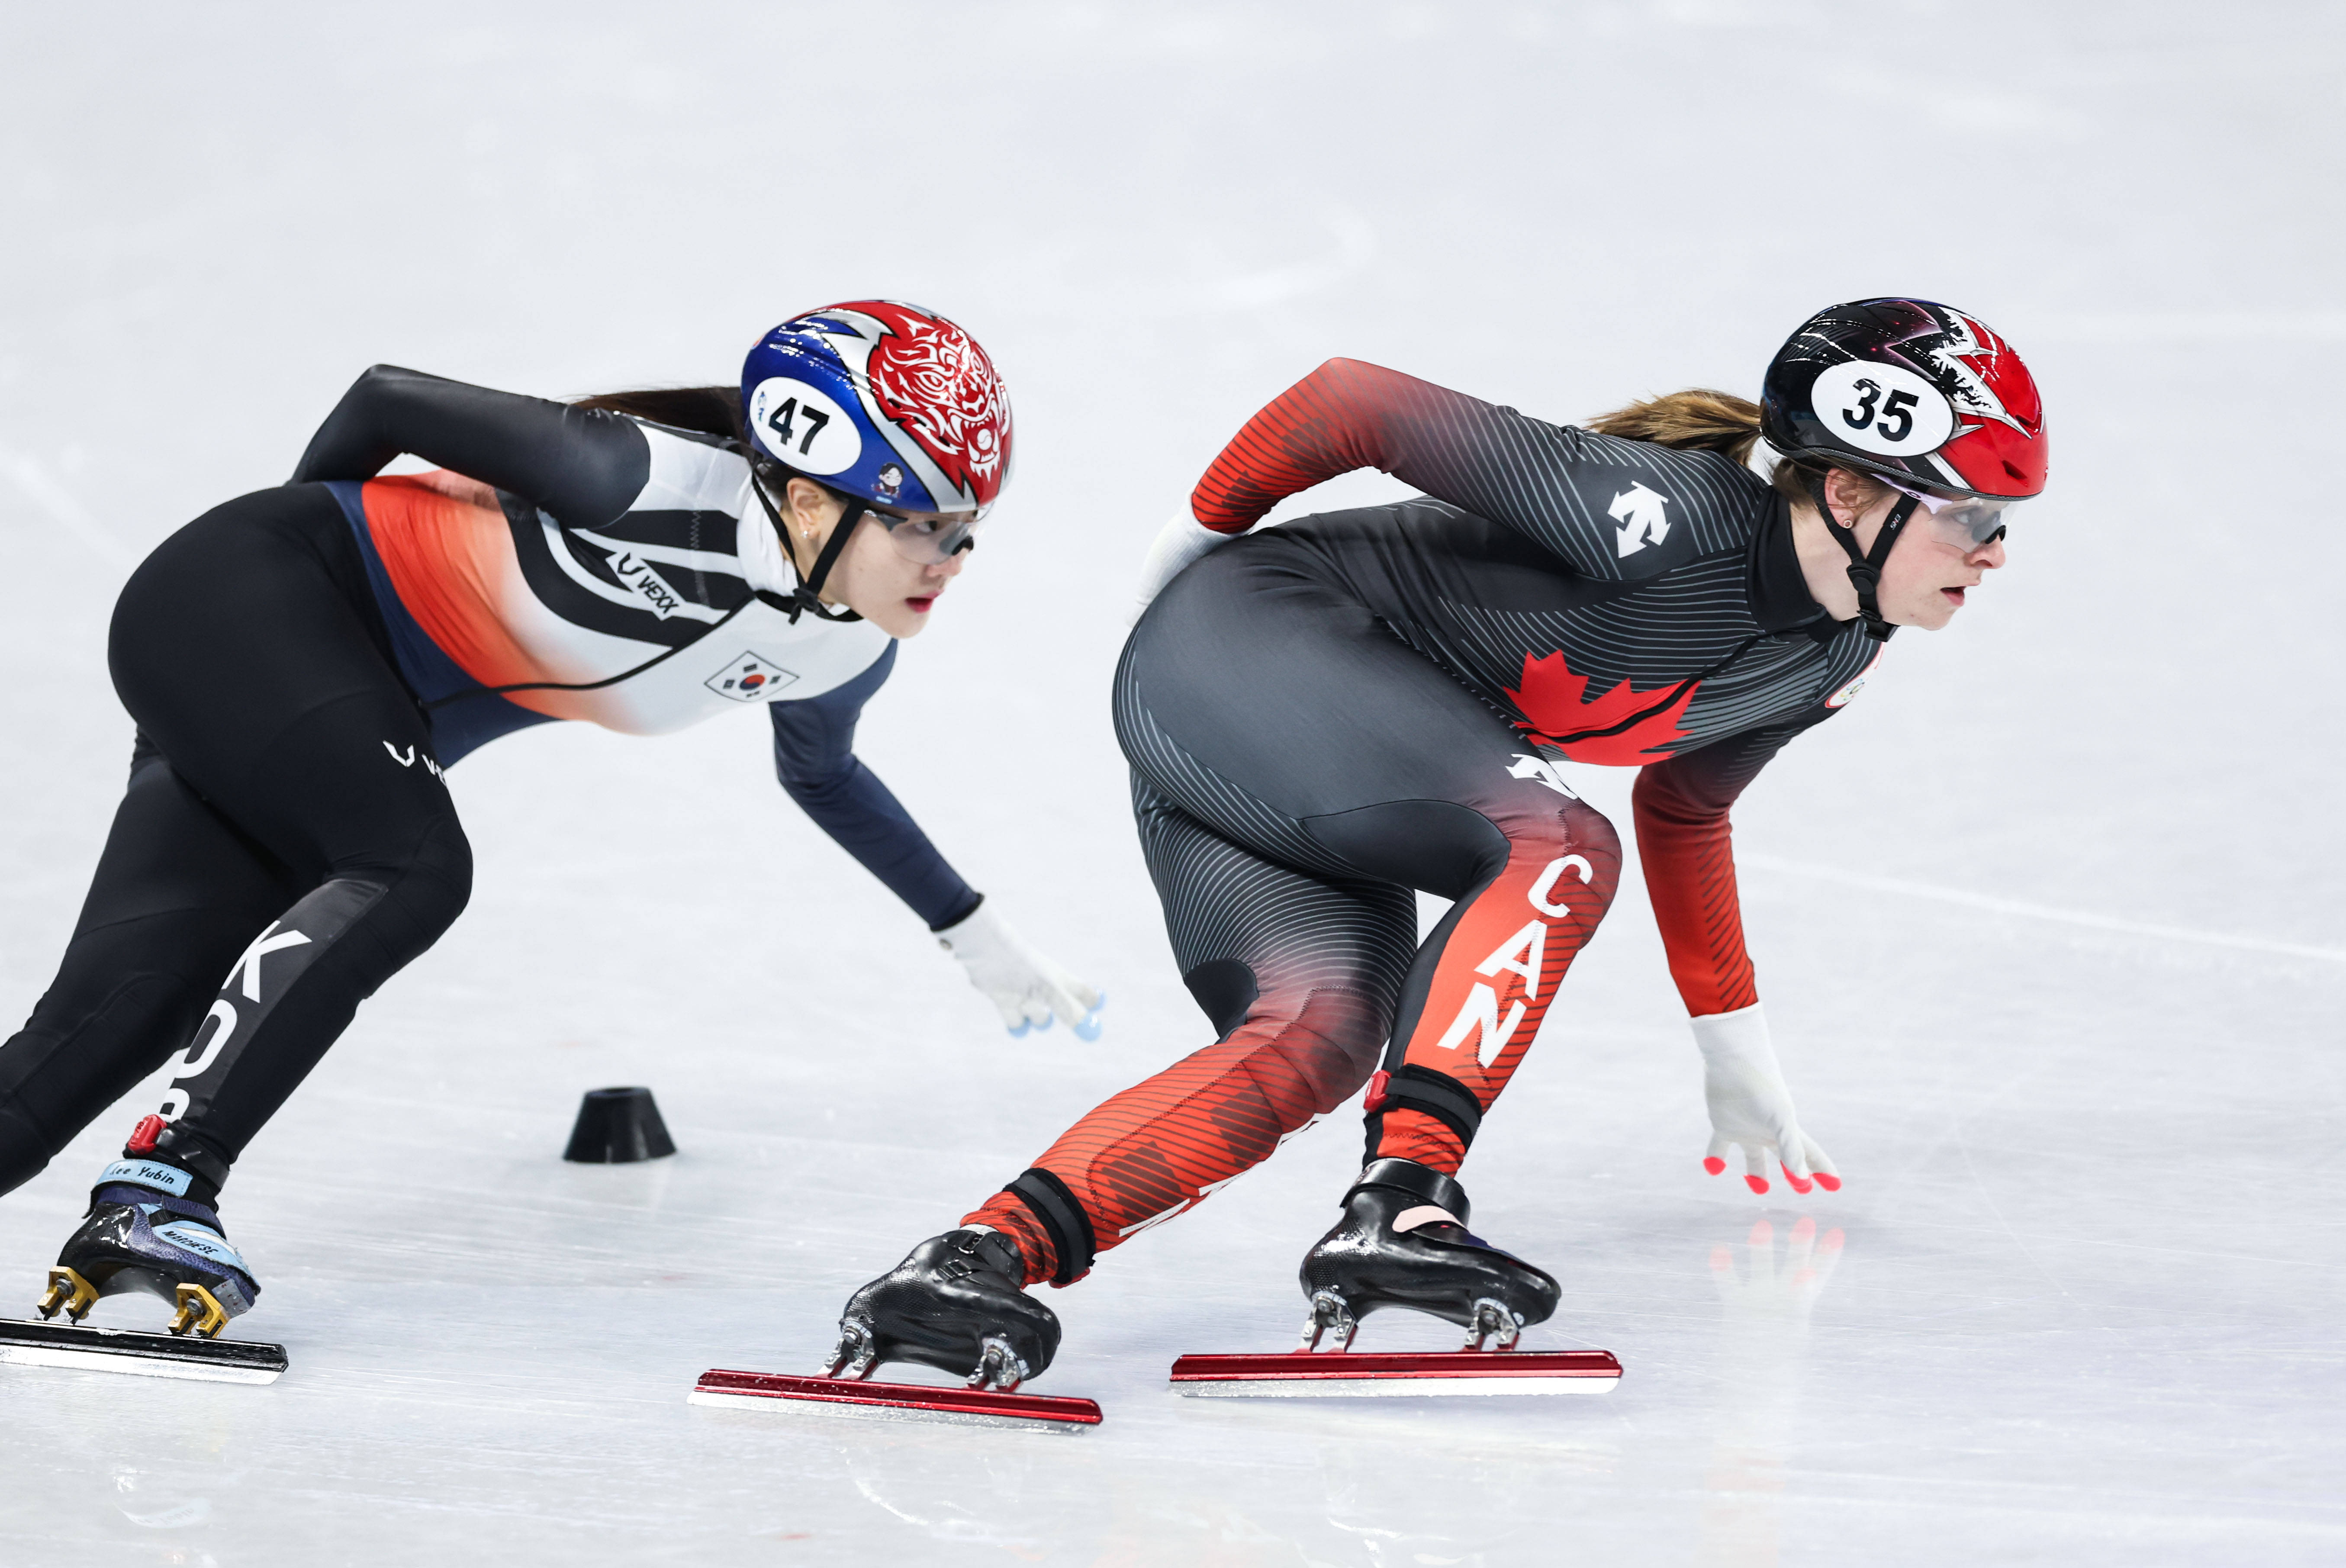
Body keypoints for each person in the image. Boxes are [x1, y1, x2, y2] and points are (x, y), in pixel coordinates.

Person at [826, 298, 2047, 1390]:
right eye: (1971, 514)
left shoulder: (1828, 660)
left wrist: (1732, 1048)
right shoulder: (1665, 517)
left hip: (1308, 758)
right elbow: (1350, 402)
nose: (1996, 554)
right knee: (1554, 842)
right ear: (1848, 492)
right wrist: (1188, 546)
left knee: (1313, 1042)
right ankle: (1402, 1205)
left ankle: (975, 1259)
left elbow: (1683, 810)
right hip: (1247, 647)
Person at [1, 300, 1101, 1339]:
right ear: (811, 498)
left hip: (320, 720)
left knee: (111, 1025)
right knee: (413, 865)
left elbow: (825, 782)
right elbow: (385, 397)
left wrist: (975, 934)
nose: (950, 563)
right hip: (248, 599)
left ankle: (135, 1176)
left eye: (970, 530)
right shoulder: (642, 475)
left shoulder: (847, 645)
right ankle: (162, 1187)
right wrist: (294, 595)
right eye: (922, 525)